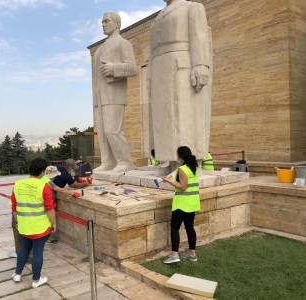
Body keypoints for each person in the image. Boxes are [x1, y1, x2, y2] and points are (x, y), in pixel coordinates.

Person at [148, 0, 212, 174]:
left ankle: (189, 162)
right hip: (160, 67)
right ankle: (170, 160)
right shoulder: (159, 16)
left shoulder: (192, 7)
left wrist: (200, 64)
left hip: (180, 63)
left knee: (184, 116)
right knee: (163, 118)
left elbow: (200, 36)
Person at [93, 12, 137, 173]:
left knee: (113, 130)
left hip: (114, 94)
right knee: (104, 133)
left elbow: (132, 68)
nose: (103, 24)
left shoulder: (123, 43)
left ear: (117, 23)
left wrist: (113, 69)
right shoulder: (99, 49)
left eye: (106, 21)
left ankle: (124, 161)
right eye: (102, 21)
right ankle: (108, 162)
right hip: (100, 96)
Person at [10, 158, 56, 288]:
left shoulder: (17, 184)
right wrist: (54, 224)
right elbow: (50, 208)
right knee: (37, 251)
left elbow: (14, 206)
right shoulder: (44, 186)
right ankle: (36, 280)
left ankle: (17, 274)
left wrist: (18, 222)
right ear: (42, 172)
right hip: (40, 226)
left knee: (24, 247)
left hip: (24, 225)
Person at [161, 146, 200, 264]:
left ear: (180, 156)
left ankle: (174, 255)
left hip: (182, 204)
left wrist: (169, 181)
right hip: (192, 203)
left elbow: (183, 187)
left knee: (174, 228)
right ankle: (192, 254)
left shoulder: (182, 169)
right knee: (189, 227)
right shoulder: (192, 168)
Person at [42, 165, 81, 244]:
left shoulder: (42, 178)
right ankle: (46, 237)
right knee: (46, 219)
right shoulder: (48, 181)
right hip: (44, 206)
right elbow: (61, 190)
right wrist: (74, 193)